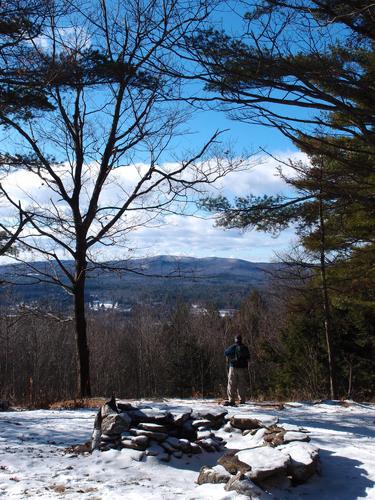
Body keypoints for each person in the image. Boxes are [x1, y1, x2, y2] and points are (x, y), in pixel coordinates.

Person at [224, 334, 250, 405]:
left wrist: (231, 357)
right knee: (241, 385)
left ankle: (231, 400)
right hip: (243, 368)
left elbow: (225, 352)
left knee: (231, 384)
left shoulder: (233, 347)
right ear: (241, 339)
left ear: (235, 339)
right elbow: (248, 357)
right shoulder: (245, 347)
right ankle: (242, 400)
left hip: (233, 367)